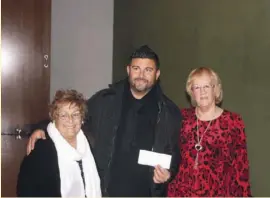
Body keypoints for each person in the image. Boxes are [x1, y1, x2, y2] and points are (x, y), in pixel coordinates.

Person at [26, 45, 182, 197]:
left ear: (157, 73)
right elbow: (73, 116)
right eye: (136, 68)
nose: (141, 74)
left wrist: (169, 173)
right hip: (105, 192)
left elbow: (173, 152)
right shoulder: (105, 100)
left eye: (148, 70)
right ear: (128, 70)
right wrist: (42, 127)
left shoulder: (169, 112)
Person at [167, 67, 251, 197]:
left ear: (215, 89)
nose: (203, 92)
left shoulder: (233, 122)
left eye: (206, 86)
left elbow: (241, 168)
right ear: (191, 92)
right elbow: (169, 151)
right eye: (197, 87)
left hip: (218, 193)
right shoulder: (181, 118)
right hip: (180, 193)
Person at [17, 89, 101, 197]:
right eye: (63, 115)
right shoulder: (41, 148)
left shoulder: (90, 142)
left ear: (82, 119)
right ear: (54, 118)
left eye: (75, 114)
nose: (70, 120)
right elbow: (25, 190)